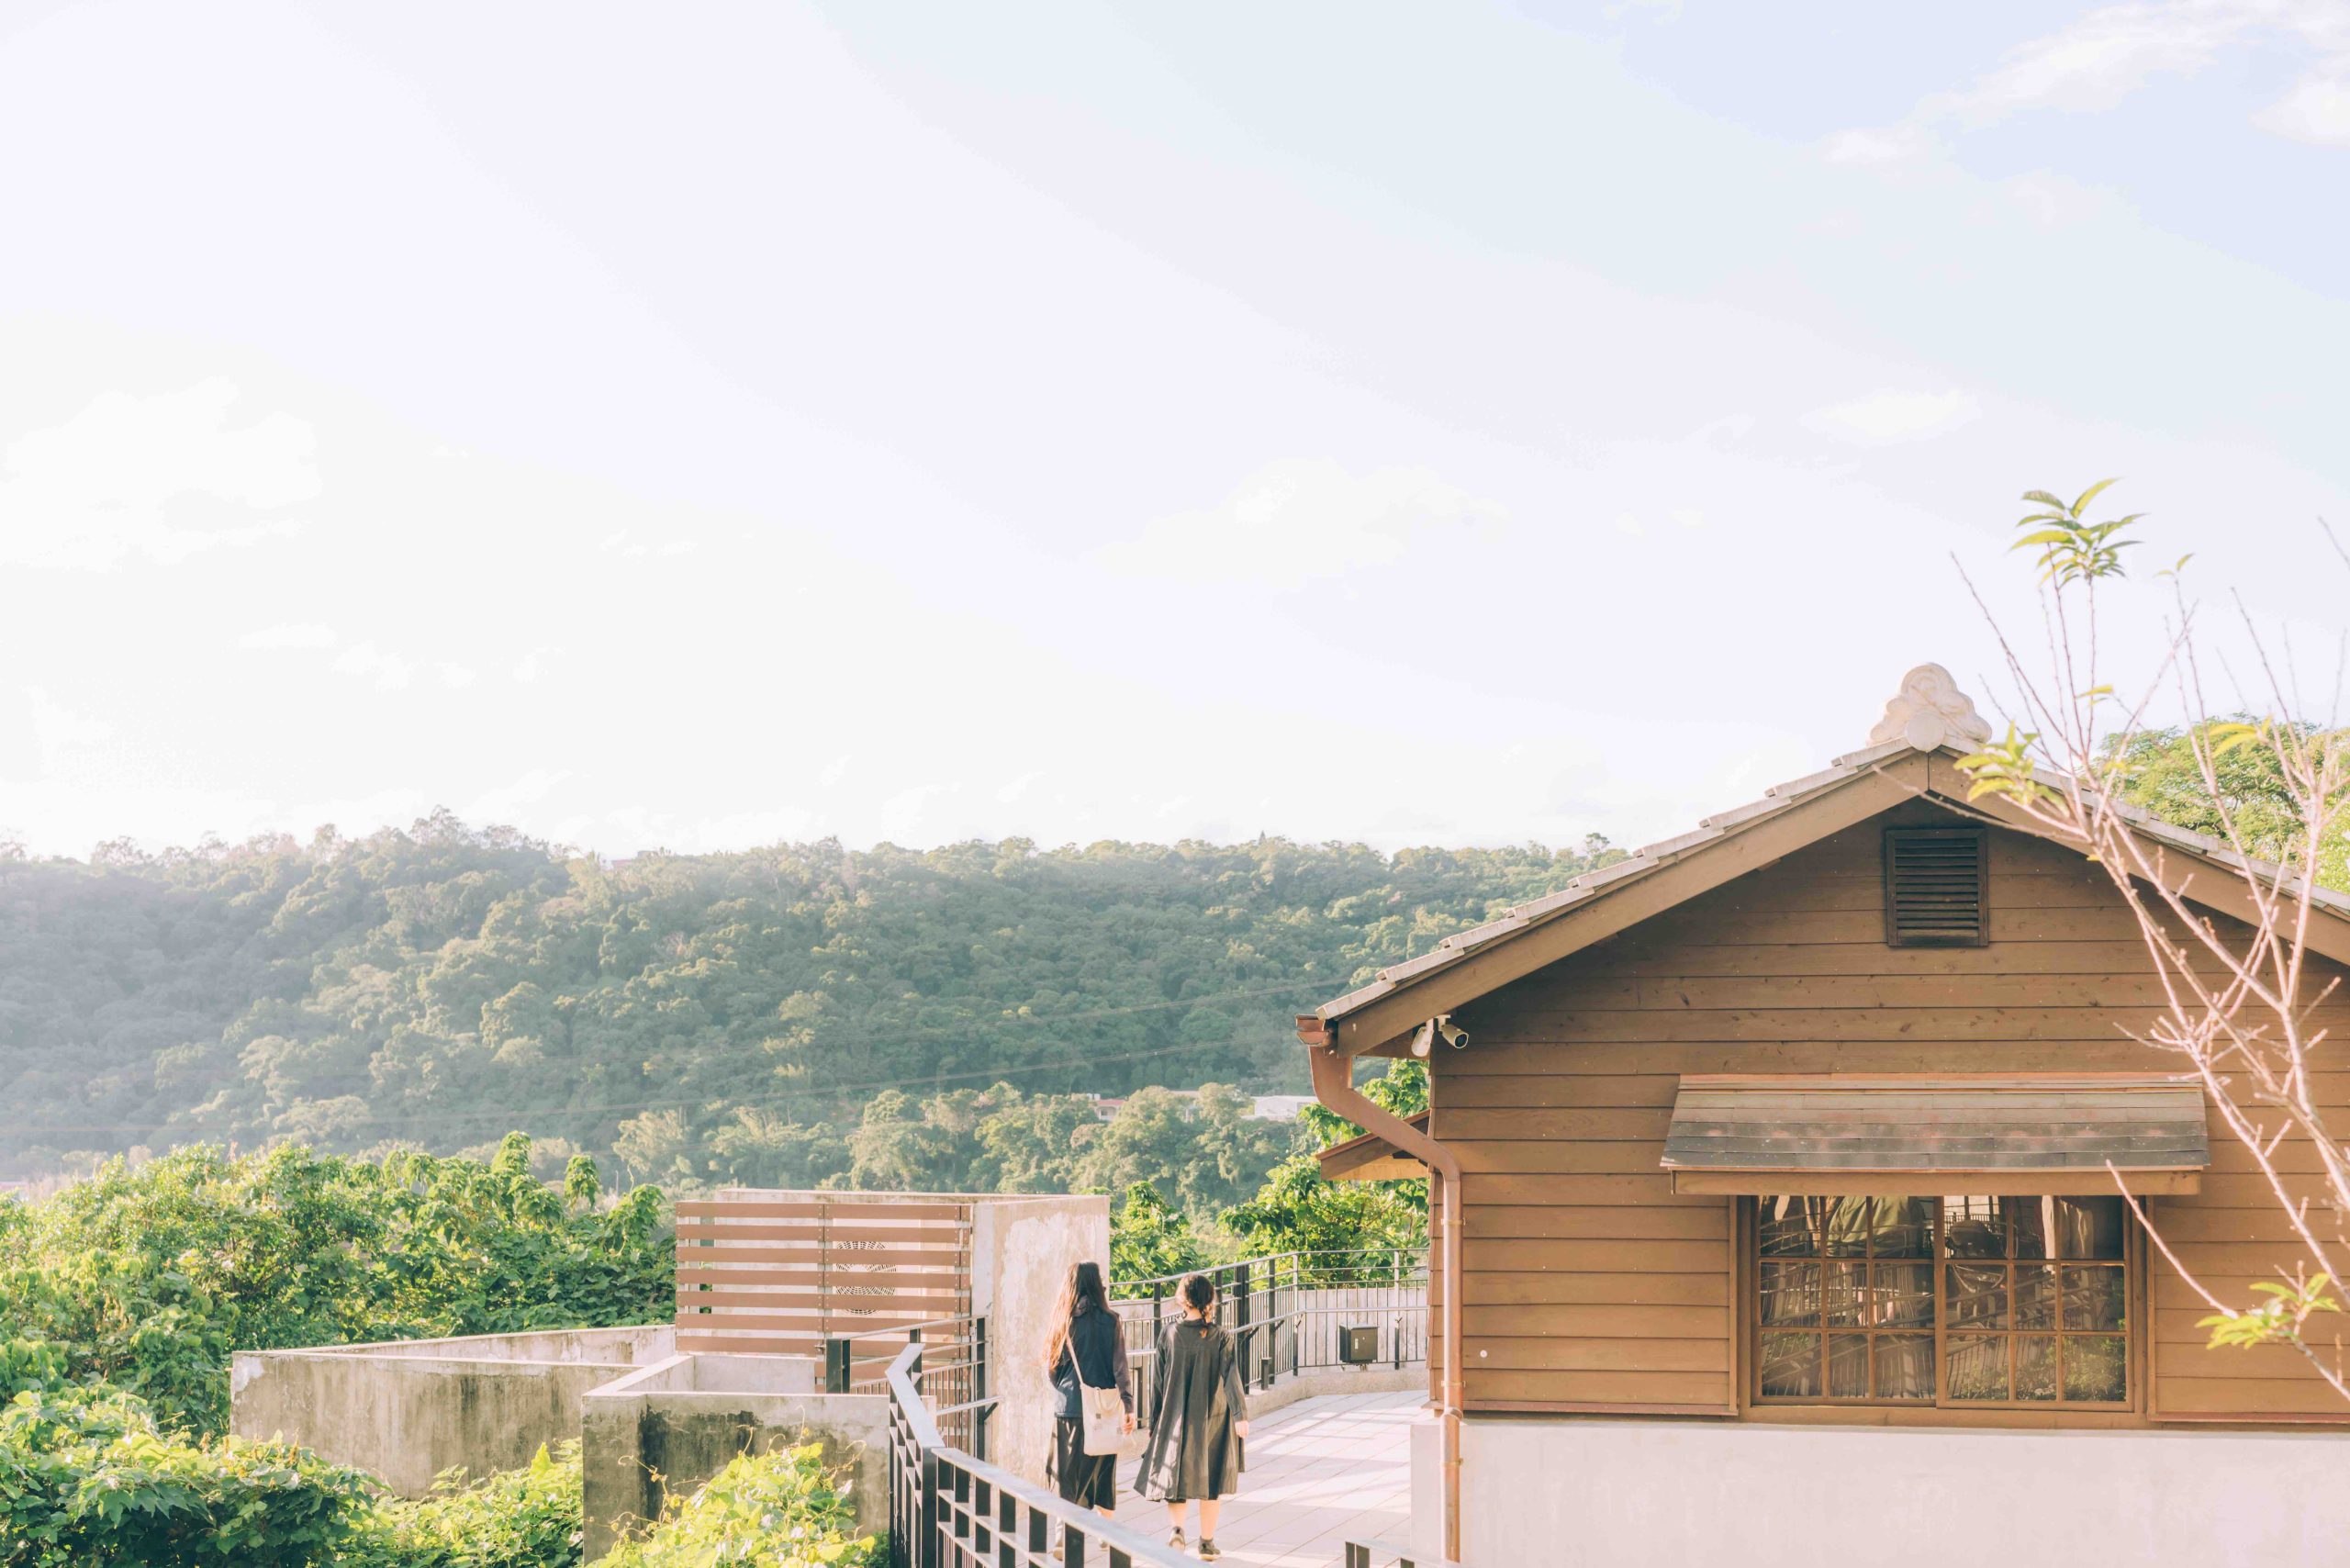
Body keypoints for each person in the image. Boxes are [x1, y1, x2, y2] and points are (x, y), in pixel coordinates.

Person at [1139, 1272, 1248, 1562]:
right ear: (1209, 1300)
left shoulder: (1169, 1333)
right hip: (1212, 1418)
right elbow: (1231, 1377)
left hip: (1174, 1416)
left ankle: (1177, 1529)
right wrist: (1240, 1416)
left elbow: (1158, 1383)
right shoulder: (1221, 1336)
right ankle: (1207, 1543)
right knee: (1211, 1480)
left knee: (1174, 1476)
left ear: (1183, 1300)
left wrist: (1154, 1422)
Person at [1044, 1259, 1135, 1520]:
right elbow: (1120, 1368)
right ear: (1097, 1285)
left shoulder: (1062, 1320)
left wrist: (1067, 1392)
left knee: (1067, 1474)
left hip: (1069, 1408)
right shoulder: (1111, 1320)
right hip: (1103, 1409)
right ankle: (1107, 1530)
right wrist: (1128, 1405)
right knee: (1103, 1470)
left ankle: (1063, 1530)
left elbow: (1052, 1369)